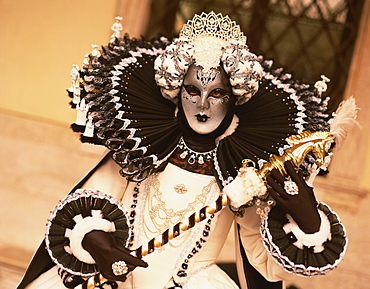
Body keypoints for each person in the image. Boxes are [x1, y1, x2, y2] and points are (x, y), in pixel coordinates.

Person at [18, 11, 353, 289]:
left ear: (234, 97)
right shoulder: (143, 148)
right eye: (192, 90)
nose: (203, 105)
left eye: (217, 93)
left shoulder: (245, 172)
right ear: (176, 91)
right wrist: (98, 244)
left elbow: (264, 263)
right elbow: (87, 204)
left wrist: (309, 222)